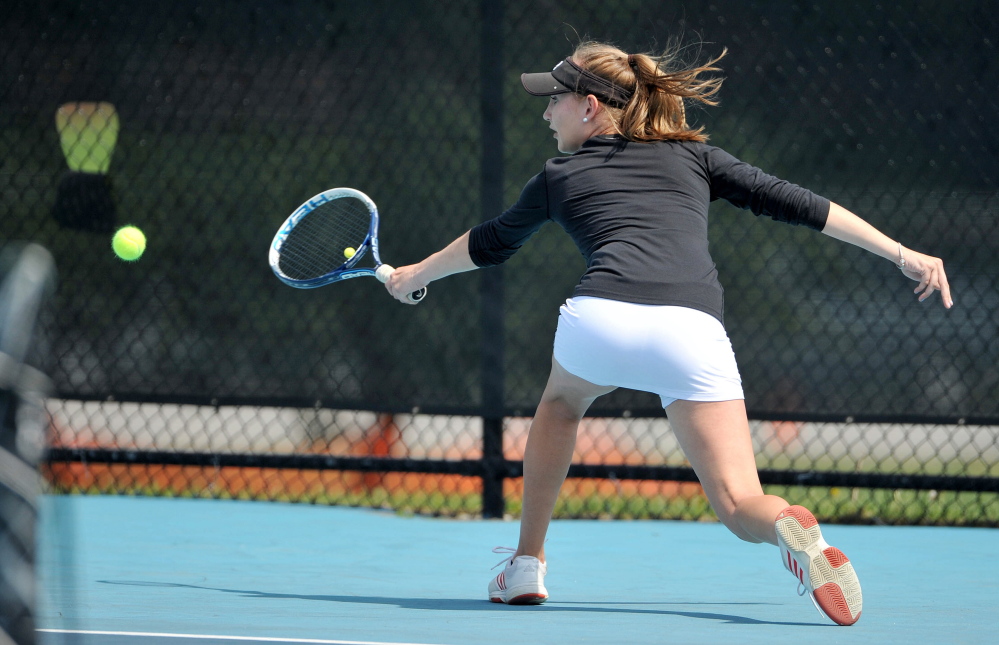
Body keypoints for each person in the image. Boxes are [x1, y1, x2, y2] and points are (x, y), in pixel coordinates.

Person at [383, 41, 952, 626]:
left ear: (591, 107)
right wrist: (901, 252)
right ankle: (786, 523)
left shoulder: (556, 176)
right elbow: (798, 203)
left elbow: (492, 241)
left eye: (555, 99)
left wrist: (414, 275)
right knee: (737, 504)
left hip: (599, 320)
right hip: (691, 331)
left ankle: (527, 563)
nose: (545, 112)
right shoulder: (694, 157)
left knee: (560, 404)